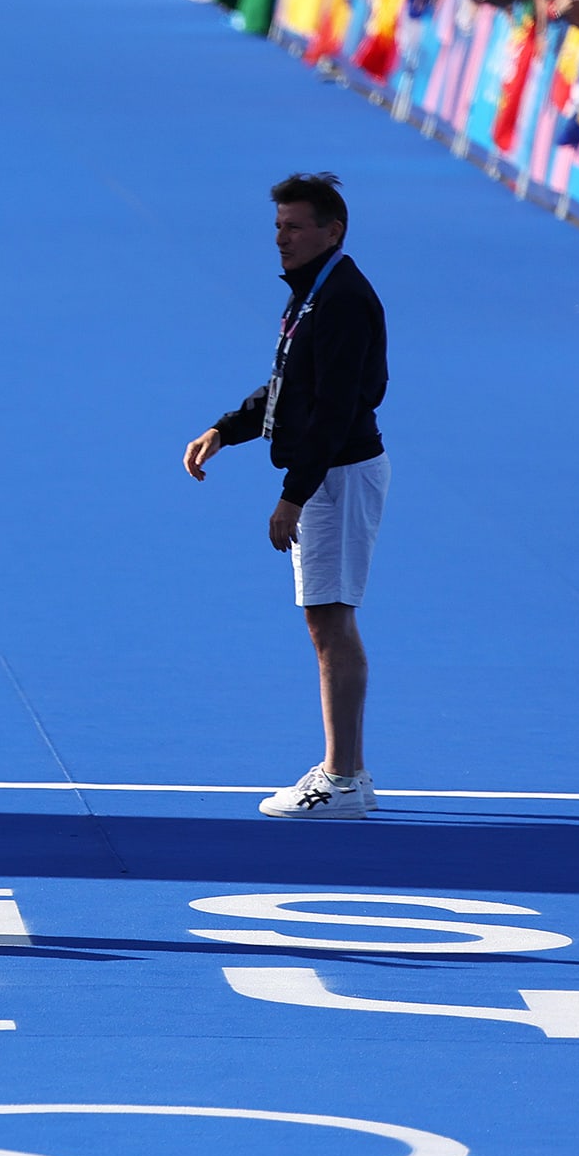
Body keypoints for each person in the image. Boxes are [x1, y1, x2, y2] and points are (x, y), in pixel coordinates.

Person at [184, 172, 389, 820]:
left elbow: (332, 409)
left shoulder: (343, 301)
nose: (283, 239)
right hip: (326, 471)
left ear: (333, 230)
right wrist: (226, 427)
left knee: (331, 618)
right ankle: (347, 768)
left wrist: (294, 496)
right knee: (325, 616)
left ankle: (343, 777)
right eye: (278, 227)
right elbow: (287, 386)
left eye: (295, 226)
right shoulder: (313, 297)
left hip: (338, 473)